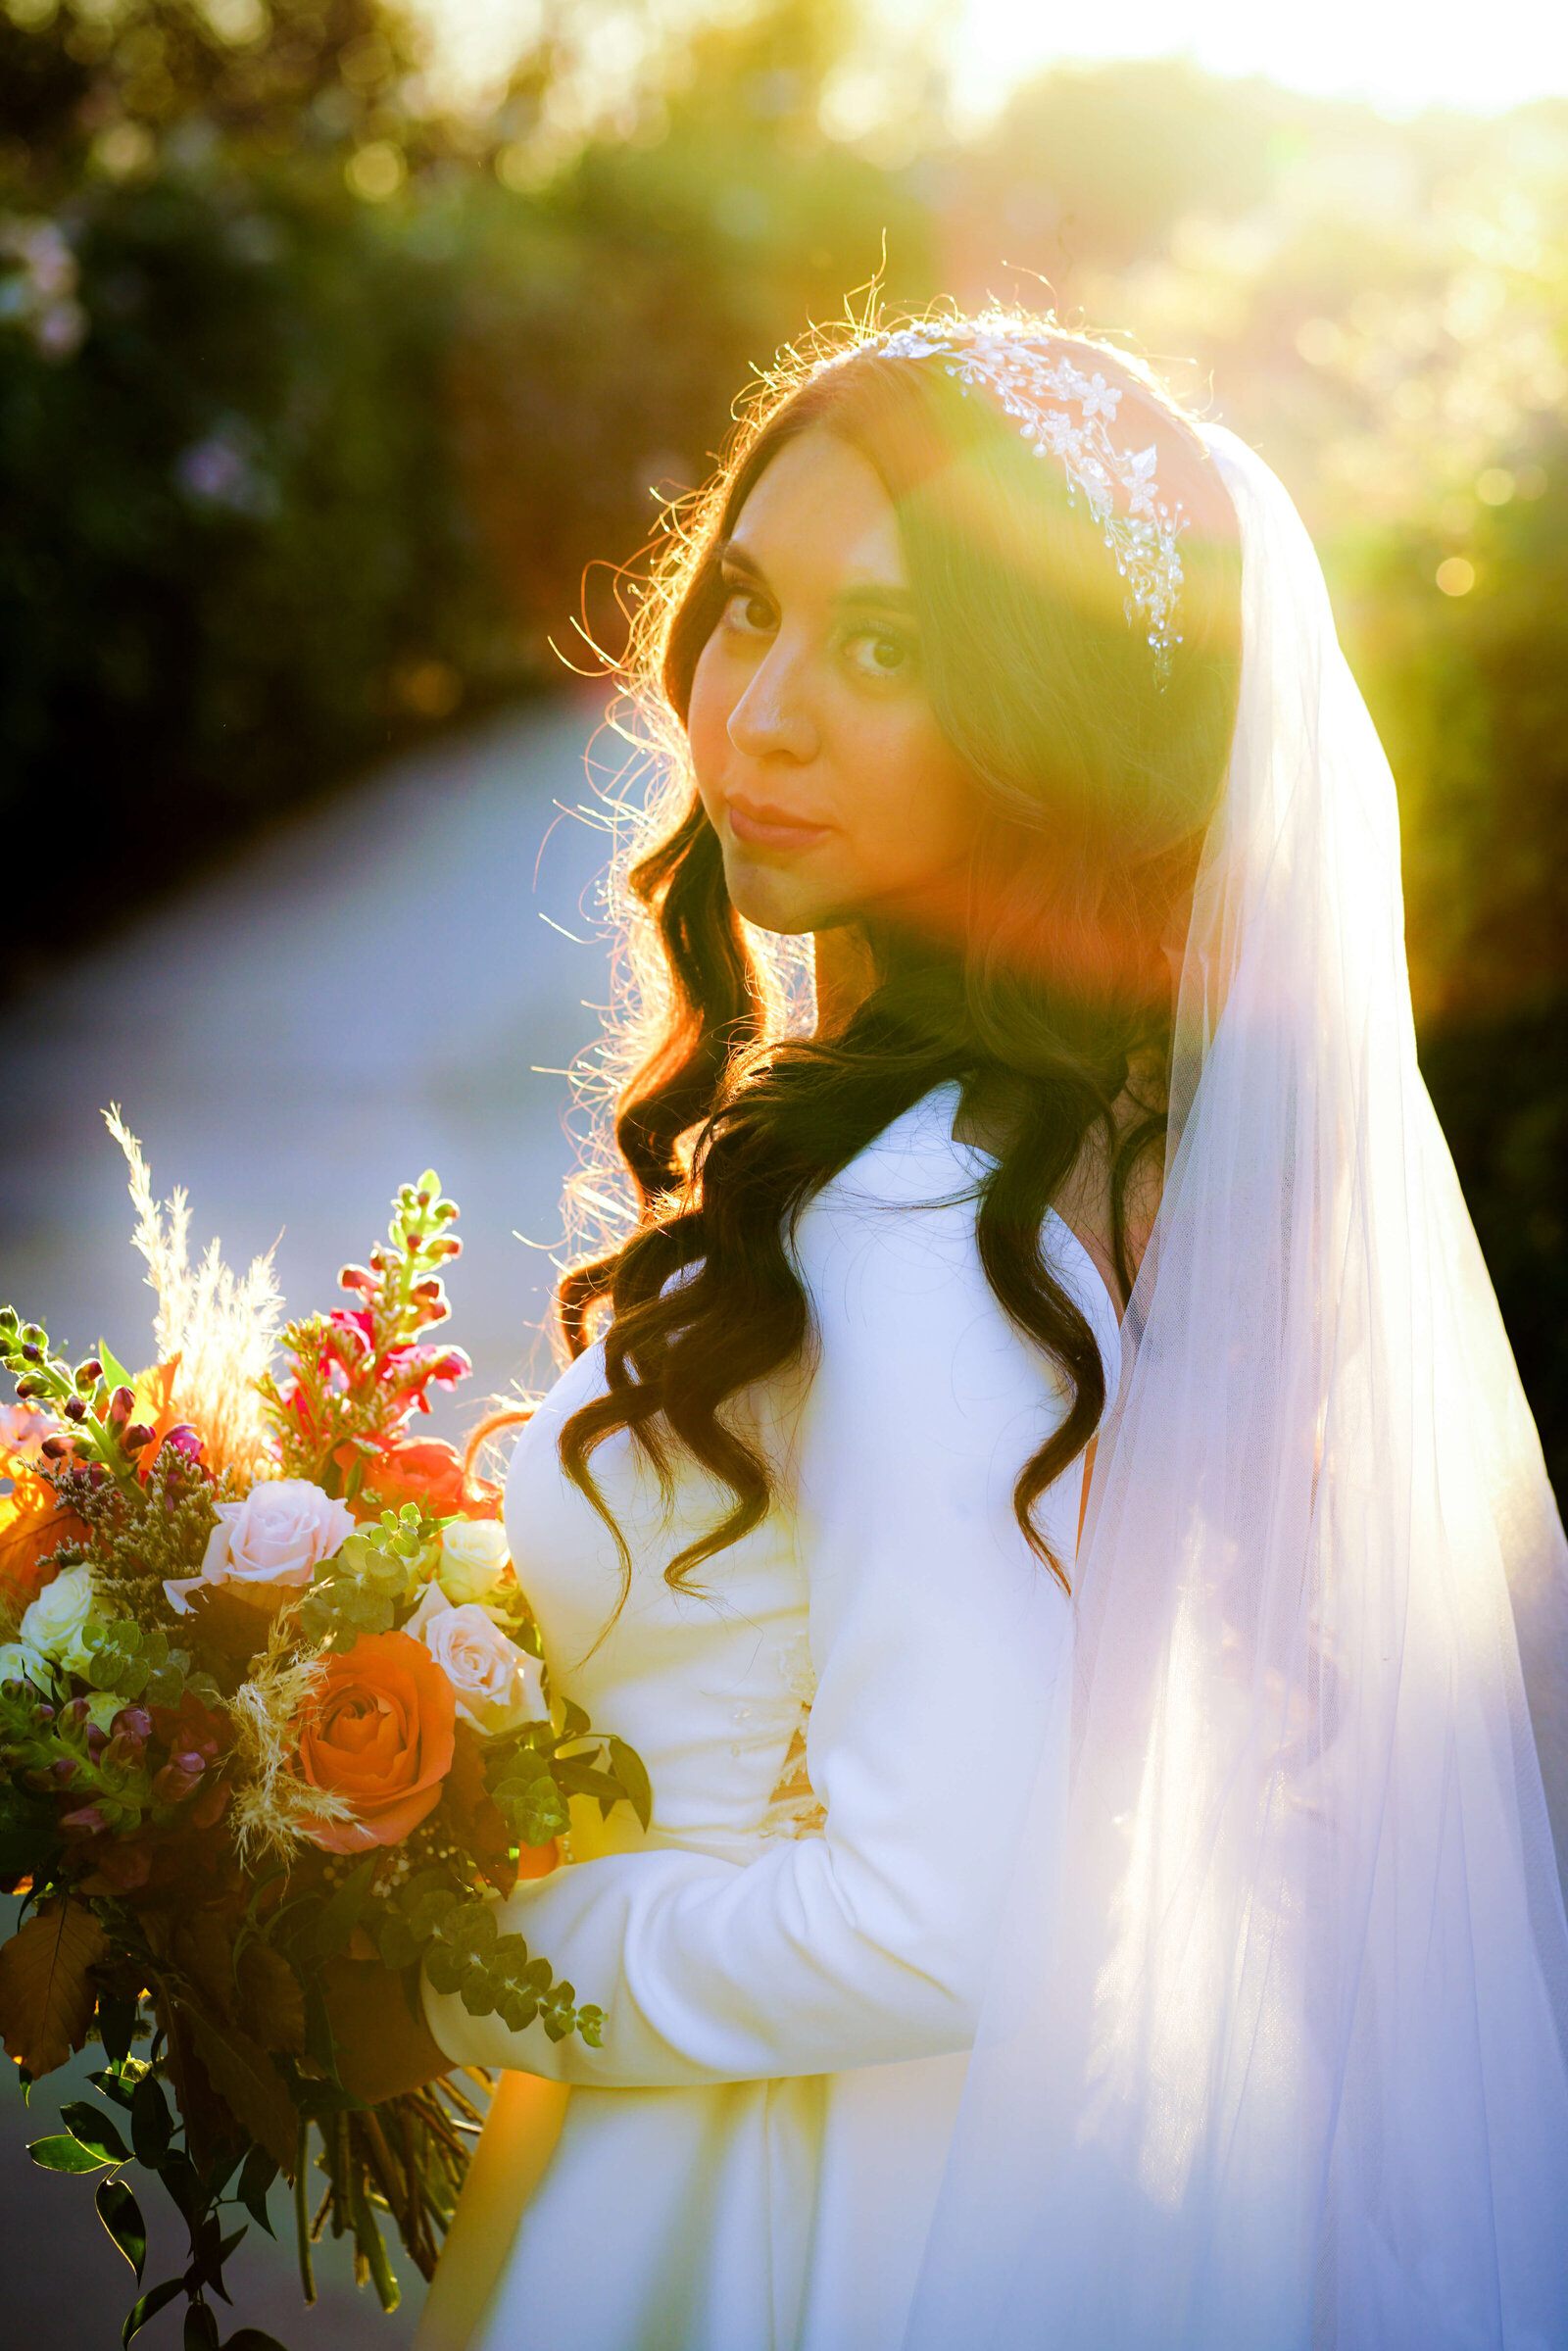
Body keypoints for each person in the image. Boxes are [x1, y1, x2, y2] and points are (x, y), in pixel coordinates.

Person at [337, 311, 1568, 2350]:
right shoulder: (1030, 1147)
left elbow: (938, 1917)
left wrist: (444, 1955)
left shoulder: (915, 1212)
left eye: (888, 649)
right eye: (746, 609)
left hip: (774, 2212)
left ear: (1048, 722)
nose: (761, 710)